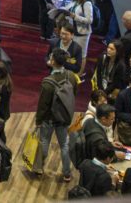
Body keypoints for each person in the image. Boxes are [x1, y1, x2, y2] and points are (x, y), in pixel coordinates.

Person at [33, 49, 76, 181]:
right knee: (64, 145)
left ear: (53, 62)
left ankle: (39, 168)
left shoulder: (48, 82)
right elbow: (74, 94)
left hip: (49, 119)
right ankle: (67, 173)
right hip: (64, 117)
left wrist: (38, 121)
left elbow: (43, 105)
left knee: (44, 141)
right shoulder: (71, 76)